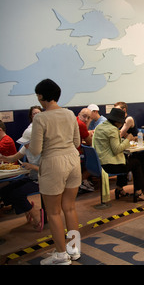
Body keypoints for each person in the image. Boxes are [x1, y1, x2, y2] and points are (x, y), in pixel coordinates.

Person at [28, 78, 82, 265]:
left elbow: (35, 150)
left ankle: (61, 255)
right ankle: (73, 249)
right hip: (73, 161)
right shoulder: (69, 114)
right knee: (70, 207)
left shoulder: (40, 118)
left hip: (53, 163)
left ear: (41, 96)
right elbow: (77, 142)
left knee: (53, 212)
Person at [93, 107, 144, 203]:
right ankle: (138, 192)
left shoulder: (100, 127)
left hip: (99, 162)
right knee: (136, 162)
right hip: (110, 165)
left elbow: (109, 143)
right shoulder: (112, 130)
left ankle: (119, 189)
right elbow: (117, 149)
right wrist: (128, 139)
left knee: (126, 161)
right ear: (118, 122)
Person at [0, 126, 43, 231]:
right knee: (5, 191)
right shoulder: (26, 147)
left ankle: (36, 213)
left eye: (27, 143)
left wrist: (32, 166)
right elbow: (14, 157)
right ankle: (27, 208)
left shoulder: (45, 150)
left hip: (43, 180)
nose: (25, 146)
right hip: (32, 177)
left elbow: (49, 170)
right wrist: (5, 158)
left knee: (17, 194)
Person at [76, 108, 94, 193]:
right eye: (84, 116)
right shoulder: (81, 124)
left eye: (89, 118)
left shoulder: (75, 120)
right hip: (75, 154)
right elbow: (90, 142)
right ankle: (81, 181)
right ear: (79, 114)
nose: (86, 120)